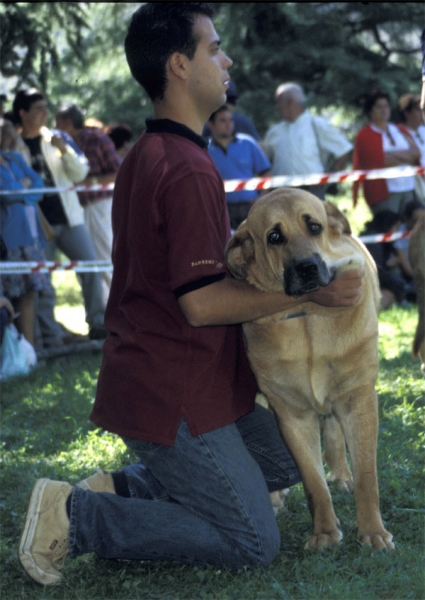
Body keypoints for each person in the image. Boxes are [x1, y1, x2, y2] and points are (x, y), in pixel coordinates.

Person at [18, 3, 364, 586]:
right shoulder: (186, 168)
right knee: (254, 539)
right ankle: (77, 517)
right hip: (169, 392)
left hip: (189, 379)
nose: (226, 60)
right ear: (179, 66)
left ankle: (126, 486)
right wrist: (311, 297)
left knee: (284, 456)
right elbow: (200, 303)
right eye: (214, 48)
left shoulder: (153, 153)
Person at [12, 89, 108, 344]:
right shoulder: (13, 143)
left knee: (91, 266)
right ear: (22, 113)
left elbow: (80, 173)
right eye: (38, 109)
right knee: (43, 282)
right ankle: (49, 336)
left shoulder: (58, 137)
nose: (46, 114)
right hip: (37, 225)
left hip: (70, 219)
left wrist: (64, 150)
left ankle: (98, 325)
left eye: (46, 108)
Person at [55, 104, 122, 304]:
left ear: (67, 123)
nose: (54, 126)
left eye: (57, 121)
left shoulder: (94, 138)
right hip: (79, 209)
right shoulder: (66, 143)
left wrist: (88, 183)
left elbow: (118, 172)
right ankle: (103, 310)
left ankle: (116, 308)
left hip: (98, 204)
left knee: (103, 257)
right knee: (90, 262)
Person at [0, 119, 47, 346]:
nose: (9, 137)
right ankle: (9, 352)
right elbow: (5, 196)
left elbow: (38, 183)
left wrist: (21, 191)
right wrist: (23, 187)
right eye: (5, 133)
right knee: (9, 296)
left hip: (31, 235)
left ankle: (29, 354)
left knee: (29, 292)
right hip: (8, 239)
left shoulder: (14, 158)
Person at [262, 82, 352, 200]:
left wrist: (331, 174)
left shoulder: (316, 124)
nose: (277, 107)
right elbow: (262, 162)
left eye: (279, 103)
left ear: (289, 103)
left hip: (312, 191)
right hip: (281, 192)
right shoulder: (274, 132)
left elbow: (344, 149)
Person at [352, 89, 420, 218]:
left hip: (408, 187)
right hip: (385, 192)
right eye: (379, 107)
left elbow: (416, 153)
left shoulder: (399, 129)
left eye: (386, 106)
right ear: (370, 110)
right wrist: (406, 156)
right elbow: (380, 161)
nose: (384, 111)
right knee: (389, 230)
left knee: (413, 229)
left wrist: (393, 154)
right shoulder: (365, 135)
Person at [207, 104, 270, 229]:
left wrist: (262, 198)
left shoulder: (248, 143)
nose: (228, 124)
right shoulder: (205, 150)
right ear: (211, 124)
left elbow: (265, 173)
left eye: (230, 120)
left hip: (250, 206)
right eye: (222, 120)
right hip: (222, 210)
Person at [360, 210, 409, 309]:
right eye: (396, 227)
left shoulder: (384, 241)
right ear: (388, 226)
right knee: (398, 285)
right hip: (364, 282)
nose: (398, 231)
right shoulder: (373, 241)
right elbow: (375, 270)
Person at [397, 93, 425, 202]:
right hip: (414, 185)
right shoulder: (399, 133)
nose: (422, 113)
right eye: (418, 110)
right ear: (407, 113)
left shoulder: (423, 129)